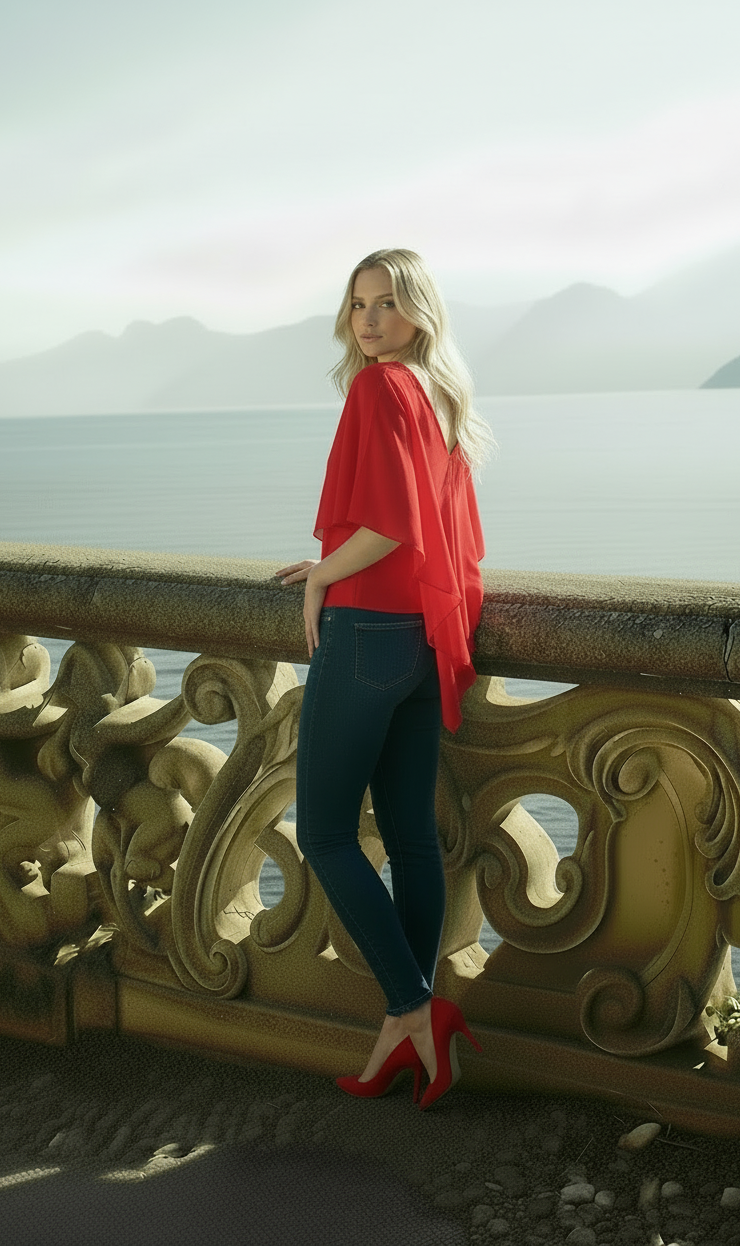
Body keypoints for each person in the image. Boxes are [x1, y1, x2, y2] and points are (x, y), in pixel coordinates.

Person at [276, 248, 493, 1109]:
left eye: (387, 303)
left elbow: (393, 526)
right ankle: (408, 1034)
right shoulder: (442, 395)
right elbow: (439, 532)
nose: (368, 320)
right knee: (408, 837)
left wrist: (326, 575)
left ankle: (412, 1006)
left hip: (367, 632)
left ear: (418, 312)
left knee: (324, 833)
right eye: (358, 304)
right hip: (423, 640)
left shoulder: (380, 388)